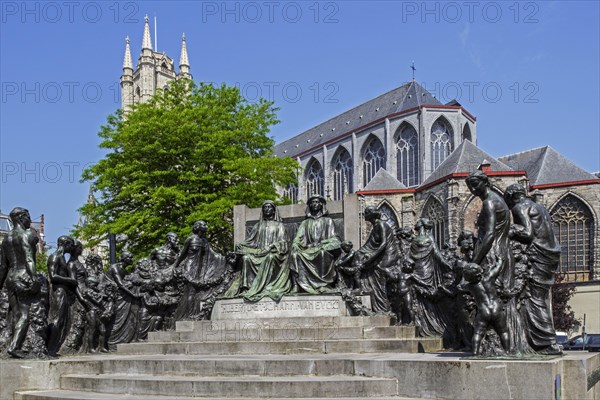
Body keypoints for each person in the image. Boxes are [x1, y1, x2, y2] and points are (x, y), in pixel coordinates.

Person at [504, 183, 562, 355]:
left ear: (512, 196)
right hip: (550, 254)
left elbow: (528, 233)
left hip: (538, 255)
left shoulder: (520, 207)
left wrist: (510, 230)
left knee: (534, 299)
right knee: (541, 298)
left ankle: (545, 342)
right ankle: (548, 341)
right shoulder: (540, 207)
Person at [0, 207, 41, 358]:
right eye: (28, 217)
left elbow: (3, 266)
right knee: (25, 315)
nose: (30, 220)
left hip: (10, 278)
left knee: (15, 314)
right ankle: (14, 346)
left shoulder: (6, 239)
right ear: (21, 217)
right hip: (23, 276)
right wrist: (35, 278)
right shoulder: (26, 235)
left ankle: (14, 343)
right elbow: (29, 258)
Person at [233, 200, 291, 302]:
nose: (267, 209)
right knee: (246, 258)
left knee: (270, 257)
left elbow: (284, 242)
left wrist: (272, 247)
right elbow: (250, 242)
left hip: (273, 253)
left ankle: (269, 287)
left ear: (274, 211)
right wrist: (240, 245)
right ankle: (246, 288)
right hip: (259, 253)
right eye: (265, 207)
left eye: (269, 207)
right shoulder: (257, 226)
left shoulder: (279, 226)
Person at [290, 195, 342, 294]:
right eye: (312, 202)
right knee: (295, 255)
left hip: (322, 248)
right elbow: (298, 238)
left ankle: (324, 285)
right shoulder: (305, 223)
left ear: (321, 205)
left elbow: (334, 238)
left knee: (322, 253)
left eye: (317, 202)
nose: (315, 204)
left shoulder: (328, 221)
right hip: (308, 249)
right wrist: (295, 244)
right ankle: (297, 285)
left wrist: (323, 243)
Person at [458, 258, 510, 355]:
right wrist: (499, 260)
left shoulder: (470, 286)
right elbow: (498, 268)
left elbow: (459, 287)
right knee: (503, 331)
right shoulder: (488, 278)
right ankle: (507, 351)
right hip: (496, 308)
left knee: (478, 333)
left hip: (483, 310)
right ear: (480, 272)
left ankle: (475, 352)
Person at [356, 206, 399, 312]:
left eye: (366, 212)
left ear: (371, 214)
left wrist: (370, 257)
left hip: (388, 255)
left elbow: (383, 244)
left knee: (377, 274)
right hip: (381, 254)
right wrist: (359, 253)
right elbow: (369, 244)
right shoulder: (375, 227)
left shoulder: (381, 224)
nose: (364, 215)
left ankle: (382, 308)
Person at [46, 235, 77, 357]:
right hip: (57, 292)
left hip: (62, 291)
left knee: (62, 320)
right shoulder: (55, 257)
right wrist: (70, 280)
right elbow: (53, 276)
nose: (72, 248)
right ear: (65, 244)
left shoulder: (62, 258)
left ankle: (53, 348)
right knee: (56, 320)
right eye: (71, 245)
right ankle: (49, 349)